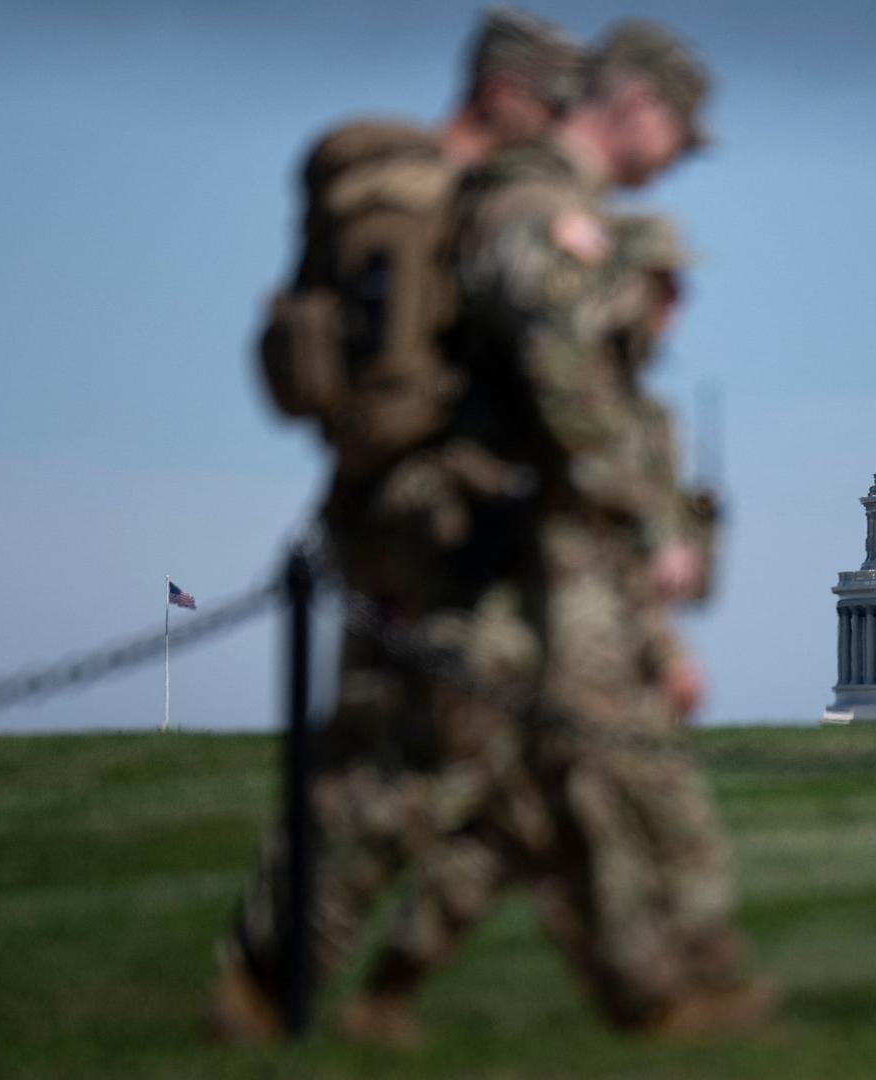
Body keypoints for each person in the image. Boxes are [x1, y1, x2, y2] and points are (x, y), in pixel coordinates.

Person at [331, 22, 767, 1044]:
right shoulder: (538, 217)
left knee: (523, 816)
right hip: (529, 577)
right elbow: (562, 400)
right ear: (638, 108)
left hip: (554, 579)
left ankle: (656, 994)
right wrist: (647, 540)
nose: (674, 306)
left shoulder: (620, 357)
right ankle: (283, 980)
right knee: (481, 791)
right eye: (662, 286)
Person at [211, 8, 583, 1042]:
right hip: (440, 509)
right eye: (548, 105)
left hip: (359, 494)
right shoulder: (456, 206)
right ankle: (285, 981)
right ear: (505, 93)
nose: (553, 129)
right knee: (442, 758)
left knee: (365, 748)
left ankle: (302, 983)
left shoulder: (358, 190)